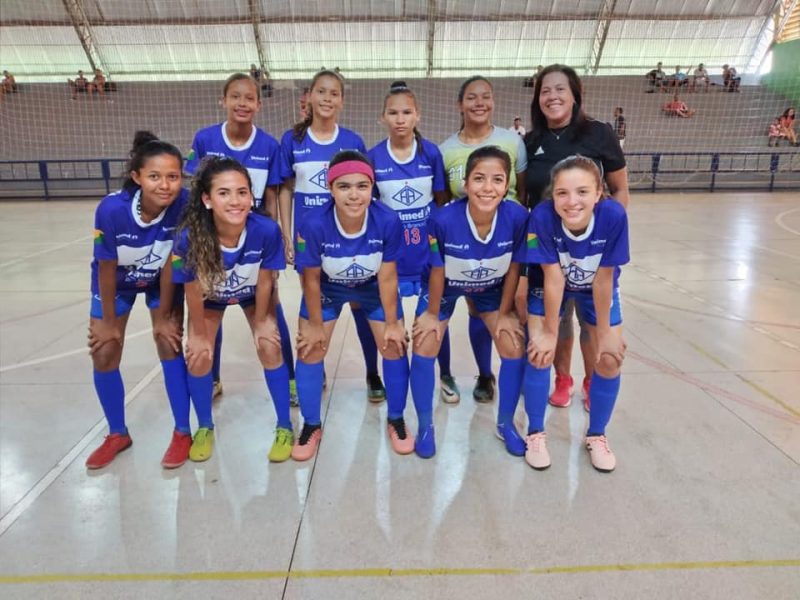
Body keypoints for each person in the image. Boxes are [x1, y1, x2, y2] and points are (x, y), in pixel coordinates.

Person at [172, 157, 294, 463]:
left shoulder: (266, 230)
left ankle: (285, 426)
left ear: (251, 196)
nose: (235, 200)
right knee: (199, 355)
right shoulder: (190, 237)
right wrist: (199, 334)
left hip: (253, 295)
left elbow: (266, 281)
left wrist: (263, 321)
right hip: (210, 298)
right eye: (224, 193)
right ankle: (205, 426)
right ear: (207, 199)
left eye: (242, 192)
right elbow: (192, 290)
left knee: (269, 344)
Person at [185, 73, 296, 405]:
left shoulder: (269, 146)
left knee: (270, 308)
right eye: (235, 96)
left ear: (258, 104)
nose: (242, 103)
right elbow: (194, 190)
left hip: (256, 241)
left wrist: (276, 242)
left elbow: (272, 196)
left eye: (249, 98)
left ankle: (289, 378)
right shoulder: (205, 139)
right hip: (214, 239)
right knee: (212, 305)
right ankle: (213, 377)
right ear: (224, 101)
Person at [523, 63, 629, 412]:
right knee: (558, 317)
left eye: (560, 89)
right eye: (545, 91)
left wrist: (606, 235)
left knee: (591, 320)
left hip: (590, 249)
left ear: (575, 95)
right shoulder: (531, 142)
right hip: (550, 249)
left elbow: (619, 189)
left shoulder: (599, 133)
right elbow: (525, 198)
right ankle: (563, 378)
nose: (552, 96)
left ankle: (591, 379)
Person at [292, 151, 411, 460]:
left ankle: (396, 419)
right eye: (344, 186)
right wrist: (315, 325)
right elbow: (310, 279)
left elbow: (388, 276)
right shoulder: (313, 224)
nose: (354, 195)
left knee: (394, 344)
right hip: (328, 288)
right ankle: (311, 425)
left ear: (372, 187)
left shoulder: (388, 220)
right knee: (310, 347)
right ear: (330, 188)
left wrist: (394, 323)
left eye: (362, 186)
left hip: (372, 287)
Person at [411, 146, 527, 459]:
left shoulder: (518, 217)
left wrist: (505, 313)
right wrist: (432, 314)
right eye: (479, 178)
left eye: (497, 179)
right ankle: (425, 426)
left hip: (490, 289)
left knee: (513, 345)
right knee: (423, 343)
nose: (487, 187)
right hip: (445, 287)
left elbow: (515, 267)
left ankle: (505, 424)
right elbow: (437, 270)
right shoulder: (442, 219)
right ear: (465, 183)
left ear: (507, 184)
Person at [85, 132, 193, 470]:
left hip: (161, 281)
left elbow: (172, 259)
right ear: (137, 177)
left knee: (168, 341)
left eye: (173, 176)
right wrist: (107, 321)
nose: (165, 185)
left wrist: (165, 315)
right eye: (154, 176)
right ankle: (117, 433)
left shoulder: (185, 203)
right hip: (116, 283)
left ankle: (183, 431)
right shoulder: (111, 210)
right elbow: (106, 266)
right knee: (104, 351)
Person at [277, 69, 385, 401]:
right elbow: (285, 188)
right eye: (321, 91)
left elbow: (365, 192)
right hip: (309, 242)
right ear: (308, 97)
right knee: (314, 306)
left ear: (342, 100)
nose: (327, 98)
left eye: (333, 93)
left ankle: (372, 373)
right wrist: (286, 233)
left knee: (362, 307)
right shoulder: (292, 140)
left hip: (350, 240)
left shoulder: (352, 141)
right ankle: (316, 366)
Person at [524, 155, 629, 473]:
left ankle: (597, 434)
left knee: (608, 358)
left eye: (582, 192)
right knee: (540, 352)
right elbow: (553, 277)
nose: (572, 202)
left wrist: (606, 333)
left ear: (598, 193)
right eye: (562, 193)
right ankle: (535, 433)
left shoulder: (613, 216)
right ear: (552, 195)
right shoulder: (542, 216)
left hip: (595, 287)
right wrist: (549, 333)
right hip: (552, 283)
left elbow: (603, 279)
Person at [367, 81, 458, 403]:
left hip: (426, 256)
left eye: (406, 112)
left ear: (417, 115)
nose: (400, 119)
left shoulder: (430, 153)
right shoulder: (373, 157)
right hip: (393, 258)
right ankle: (388, 379)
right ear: (382, 117)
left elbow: (442, 200)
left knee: (434, 319)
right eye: (393, 113)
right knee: (391, 322)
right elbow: (371, 207)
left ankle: (445, 373)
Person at [439, 75, 527, 404]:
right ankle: (484, 374)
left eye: (486, 96)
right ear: (459, 104)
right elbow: (442, 202)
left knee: (506, 315)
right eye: (472, 97)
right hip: (466, 243)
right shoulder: (446, 150)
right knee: (470, 307)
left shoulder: (512, 142)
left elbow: (522, 192)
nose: (479, 103)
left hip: (504, 242)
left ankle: (513, 379)